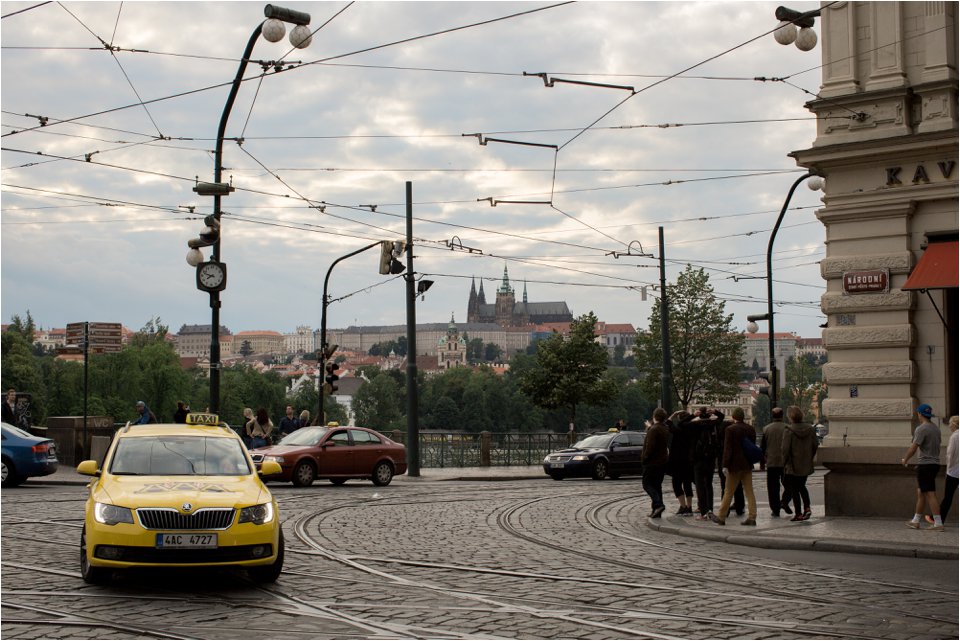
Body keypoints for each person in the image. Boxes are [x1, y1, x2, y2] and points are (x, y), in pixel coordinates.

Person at [711, 407, 757, 526]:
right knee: (749, 492)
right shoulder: (751, 429)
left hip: (734, 466)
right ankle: (752, 517)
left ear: (733, 417)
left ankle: (721, 517)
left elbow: (728, 449)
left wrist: (725, 465)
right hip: (747, 464)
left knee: (728, 492)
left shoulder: (730, 429)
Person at [902, 404, 943, 531]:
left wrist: (905, 459)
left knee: (930, 494)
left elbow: (914, 447)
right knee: (921, 492)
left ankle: (938, 523)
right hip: (933, 464)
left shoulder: (921, 429)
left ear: (919, 414)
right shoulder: (936, 428)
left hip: (926, 465)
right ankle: (915, 520)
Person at [782, 405, 818, 522]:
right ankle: (807, 508)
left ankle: (798, 513)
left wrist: (785, 462)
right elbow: (815, 445)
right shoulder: (810, 429)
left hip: (793, 465)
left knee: (794, 489)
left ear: (790, 417)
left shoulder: (789, 430)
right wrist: (809, 457)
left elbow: (785, 449)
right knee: (802, 486)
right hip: (805, 463)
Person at [689, 407, 723, 521]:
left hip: (698, 459)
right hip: (711, 458)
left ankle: (703, 512)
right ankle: (710, 509)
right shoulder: (713, 423)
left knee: (700, 486)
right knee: (709, 484)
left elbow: (681, 424)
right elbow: (721, 417)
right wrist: (715, 412)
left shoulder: (695, 425)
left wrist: (693, 415)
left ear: (700, 415)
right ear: (708, 415)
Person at [760, 407, 793, 517]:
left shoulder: (766, 429)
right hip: (786, 463)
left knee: (773, 487)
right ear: (782, 416)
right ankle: (784, 501)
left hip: (771, 462)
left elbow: (762, 447)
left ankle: (775, 509)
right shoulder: (788, 428)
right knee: (789, 485)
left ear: (772, 416)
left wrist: (762, 463)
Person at [641, 408, 670, 519]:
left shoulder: (654, 429)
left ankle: (658, 504)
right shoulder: (664, 428)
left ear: (654, 416)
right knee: (657, 486)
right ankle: (656, 510)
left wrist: (644, 458)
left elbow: (650, 446)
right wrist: (650, 427)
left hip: (652, 462)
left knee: (647, 484)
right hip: (662, 462)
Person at [717, 413, 745, 516]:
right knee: (738, 486)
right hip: (737, 464)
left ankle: (725, 509)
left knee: (725, 487)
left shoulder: (721, 438)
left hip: (724, 463)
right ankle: (739, 507)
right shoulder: (736, 436)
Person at [667, 410, 694, 515]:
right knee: (687, 483)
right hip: (688, 460)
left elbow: (668, 423)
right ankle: (689, 506)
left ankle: (683, 506)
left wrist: (673, 414)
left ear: (679, 419)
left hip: (677, 461)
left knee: (676, 483)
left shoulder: (678, 429)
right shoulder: (692, 429)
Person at [940, 416, 958, 525]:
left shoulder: (954, 437)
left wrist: (948, 470)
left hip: (954, 472)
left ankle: (940, 520)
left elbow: (950, 455)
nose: (949, 426)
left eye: (950, 423)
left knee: (948, 497)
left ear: (955, 424)